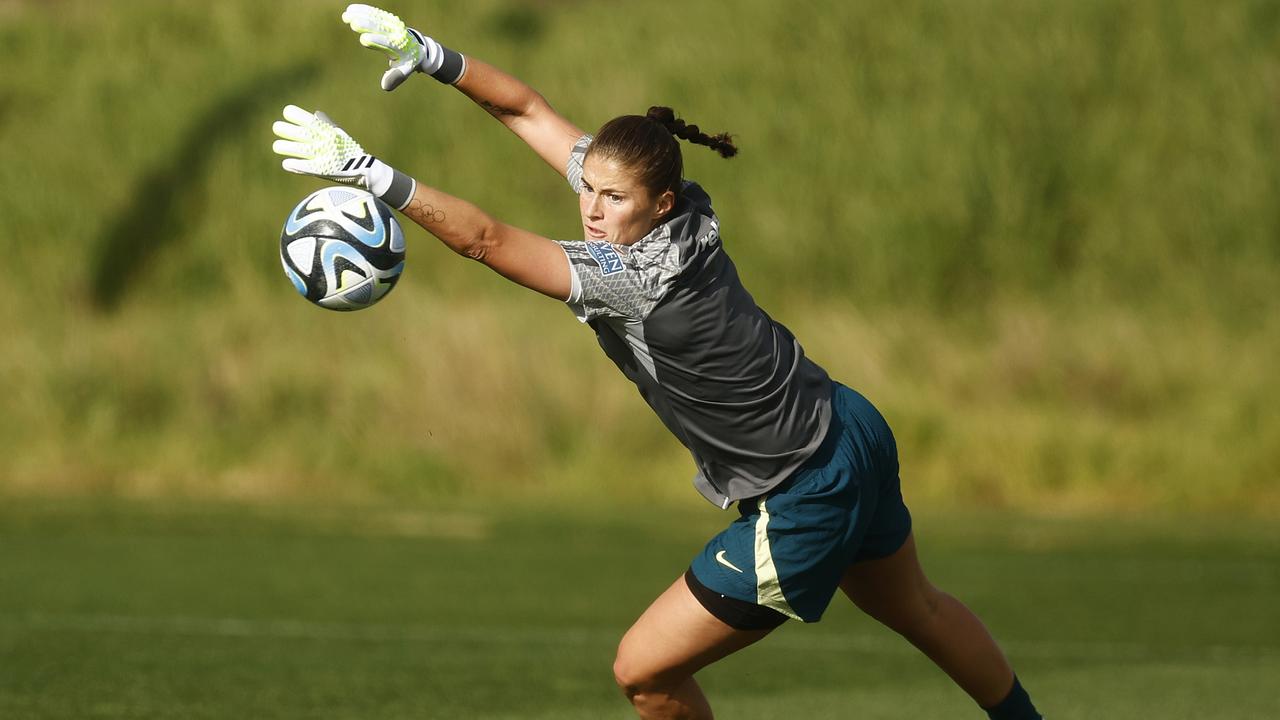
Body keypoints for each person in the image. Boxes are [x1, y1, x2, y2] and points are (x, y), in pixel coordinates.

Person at [271, 5, 1045, 719]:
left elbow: (487, 241)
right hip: (850, 426)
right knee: (921, 610)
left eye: (613, 199)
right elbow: (527, 110)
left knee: (643, 672)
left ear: (660, 203)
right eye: (590, 189)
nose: (592, 210)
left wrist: (371, 173)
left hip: (805, 490)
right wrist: (432, 55)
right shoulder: (678, 201)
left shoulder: (628, 277)